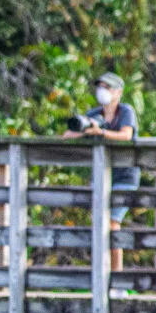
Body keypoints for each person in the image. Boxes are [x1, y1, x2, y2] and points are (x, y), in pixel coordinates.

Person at [63, 72, 139, 279]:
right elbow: (68, 135)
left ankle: (117, 277)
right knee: (99, 226)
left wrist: (102, 133)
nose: (103, 91)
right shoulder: (94, 114)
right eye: (101, 86)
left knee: (112, 225)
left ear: (118, 92)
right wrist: (86, 130)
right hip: (101, 176)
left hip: (125, 176)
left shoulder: (126, 111)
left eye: (108, 87)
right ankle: (101, 276)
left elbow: (126, 135)